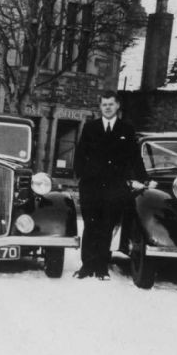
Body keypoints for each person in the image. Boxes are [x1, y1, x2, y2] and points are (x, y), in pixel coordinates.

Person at [73, 91, 154, 280]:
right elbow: (80, 153)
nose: (107, 107)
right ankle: (87, 266)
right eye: (104, 104)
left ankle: (101, 267)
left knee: (107, 226)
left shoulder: (126, 130)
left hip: (114, 187)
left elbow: (135, 157)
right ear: (100, 107)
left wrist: (143, 178)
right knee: (90, 225)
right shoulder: (90, 128)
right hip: (91, 186)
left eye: (111, 104)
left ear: (117, 106)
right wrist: (81, 175)